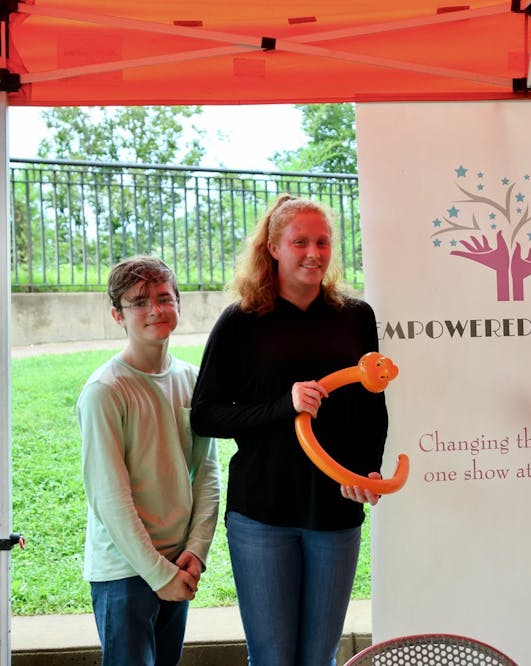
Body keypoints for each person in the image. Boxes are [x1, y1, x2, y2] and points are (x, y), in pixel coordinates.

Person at [190, 194, 387, 666]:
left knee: (319, 656)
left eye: (322, 242)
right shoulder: (241, 322)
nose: (314, 253)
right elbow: (206, 415)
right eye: (300, 242)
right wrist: (285, 405)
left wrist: (368, 471)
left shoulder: (356, 317)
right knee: (274, 658)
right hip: (262, 514)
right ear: (273, 247)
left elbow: (372, 408)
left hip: (336, 512)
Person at [78, 255, 221, 665]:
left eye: (164, 297)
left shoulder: (192, 380)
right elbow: (110, 496)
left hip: (180, 565)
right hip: (125, 571)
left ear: (178, 303)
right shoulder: (105, 391)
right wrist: (158, 574)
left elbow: (207, 471)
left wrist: (196, 551)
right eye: (139, 301)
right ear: (116, 314)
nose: (155, 309)